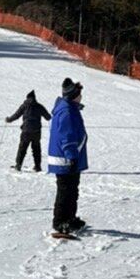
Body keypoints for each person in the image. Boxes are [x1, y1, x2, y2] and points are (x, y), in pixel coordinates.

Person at [47, 78, 88, 237]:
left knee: (72, 190)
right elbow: (67, 136)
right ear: (73, 95)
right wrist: (71, 156)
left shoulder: (70, 108)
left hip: (70, 159)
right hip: (65, 159)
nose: (81, 97)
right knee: (65, 191)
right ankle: (59, 222)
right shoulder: (66, 111)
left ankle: (70, 218)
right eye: (79, 94)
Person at [6, 89, 51, 172]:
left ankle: (18, 165)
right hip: (36, 132)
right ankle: (38, 167)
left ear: (27, 98)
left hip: (26, 131)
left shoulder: (24, 105)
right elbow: (48, 117)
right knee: (36, 149)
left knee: (22, 148)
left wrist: (9, 120)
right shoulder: (39, 106)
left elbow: (16, 115)